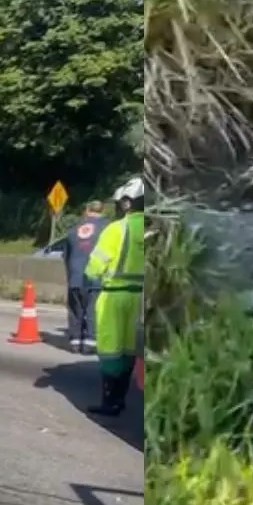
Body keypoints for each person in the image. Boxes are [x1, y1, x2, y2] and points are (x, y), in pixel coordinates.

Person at [84, 177, 146, 416]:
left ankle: (111, 402)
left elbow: (95, 267)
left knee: (111, 350)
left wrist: (90, 276)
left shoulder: (116, 229)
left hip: (114, 296)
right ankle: (121, 396)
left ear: (128, 203)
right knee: (131, 348)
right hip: (140, 298)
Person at [63, 200, 109, 354]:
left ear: (87, 210)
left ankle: (75, 341)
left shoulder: (74, 229)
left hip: (75, 276)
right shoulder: (108, 228)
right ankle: (90, 342)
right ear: (102, 211)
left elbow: (66, 256)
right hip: (95, 276)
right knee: (93, 310)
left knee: (76, 309)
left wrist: (71, 275)